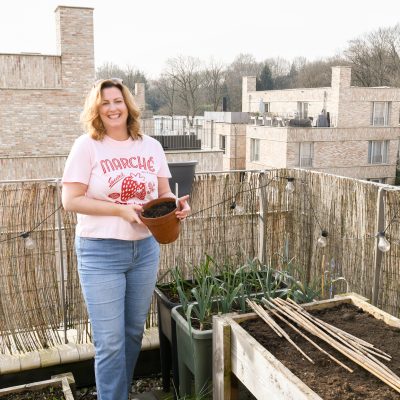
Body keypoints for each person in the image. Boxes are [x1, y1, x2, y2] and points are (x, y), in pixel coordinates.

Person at [61, 78, 190, 400]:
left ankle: (121, 393)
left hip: (144, 250)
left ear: (127, 105)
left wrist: (177, 206)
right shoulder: (87, 146)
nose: (113, 108)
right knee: (110, 341)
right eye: (105, 103)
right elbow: (71, 200)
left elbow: (162, 194)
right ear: (97, 109)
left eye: (117, 101)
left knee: (133, 334)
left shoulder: (151, 146)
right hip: (100, 253)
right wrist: (119, 211)